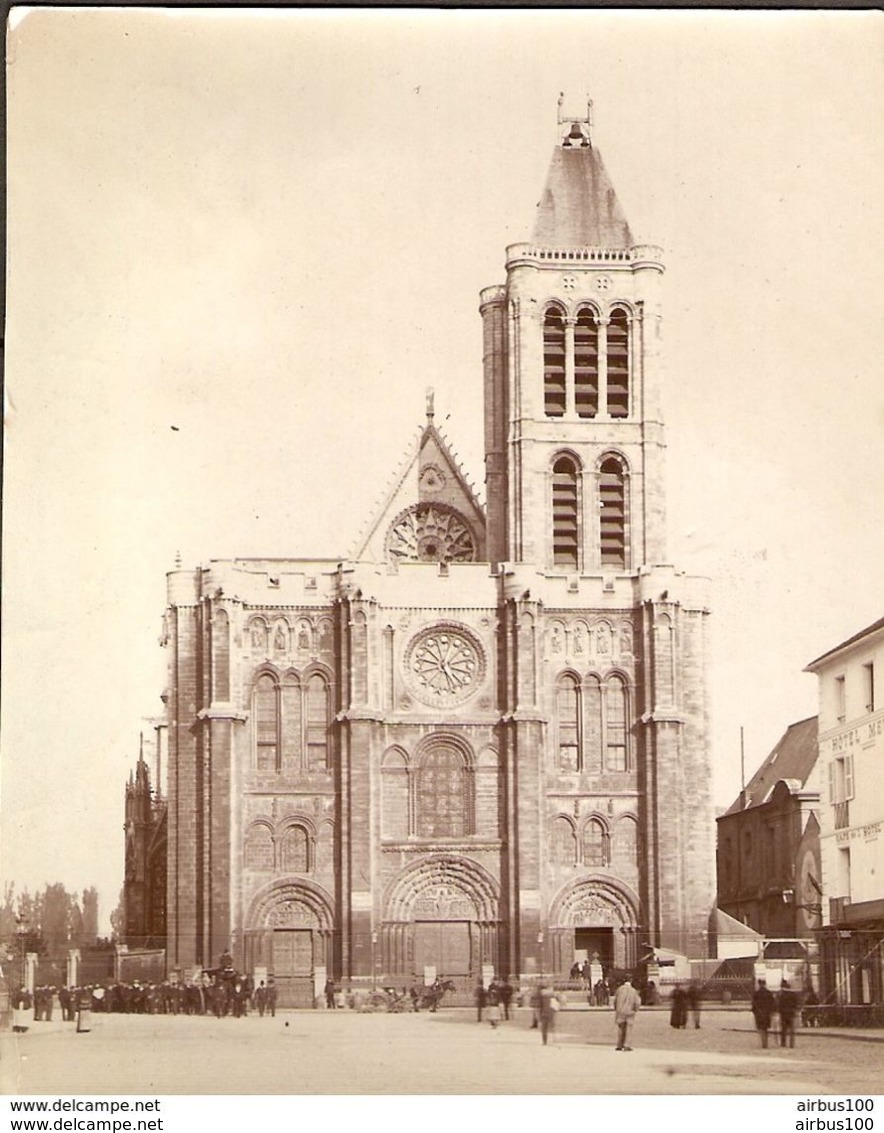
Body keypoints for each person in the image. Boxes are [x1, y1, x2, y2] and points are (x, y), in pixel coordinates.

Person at [613, 974, 641, 1051]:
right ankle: (627, 1045)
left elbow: (615, 1001)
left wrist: (617, 1009)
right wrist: (635, 1009)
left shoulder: (619, 989)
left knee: (621, 1028)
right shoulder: (633, 991)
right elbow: (637, 1002)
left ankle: (619, 1045)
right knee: (628, 1029)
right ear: (631, 980)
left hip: (620, 1011)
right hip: (630, 1012)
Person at [751, 979, 775, 1048]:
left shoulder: (756, 994)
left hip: (759, 1013)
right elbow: (772, 1003)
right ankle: (765, 1042)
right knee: (765, 1028)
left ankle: (763, 1042)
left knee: (761, 1028)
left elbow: (753, 1004)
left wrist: (754, 1011)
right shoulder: (769, 993)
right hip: (767, 1013)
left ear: (759, 984)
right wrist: (772, 1011)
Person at [778, 979, 799, 1048]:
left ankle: (783, 1042)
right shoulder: (793, 994)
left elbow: (779, 1004)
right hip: (791, 1013)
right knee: (792, 1029)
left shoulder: (781, 995)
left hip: (784, 1014)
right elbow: (796, 1003)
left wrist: (779, 1011)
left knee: (783, 1029)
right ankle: (791, 1043)